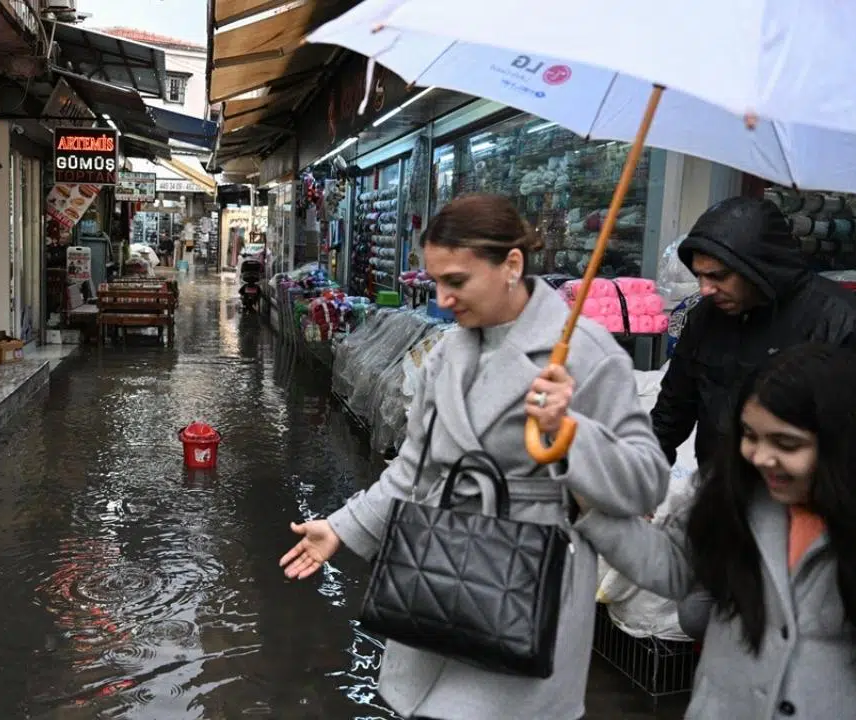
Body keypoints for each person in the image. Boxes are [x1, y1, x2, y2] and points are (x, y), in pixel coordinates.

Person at [278, 194, 669, 720]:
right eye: (436, 281)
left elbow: (647, 483)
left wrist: (570, 432)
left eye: (456, 281)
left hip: (523, 595)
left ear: (511, 265)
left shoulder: (587, 355)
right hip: (437, 581)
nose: (441, 299)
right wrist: (343, 528)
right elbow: (415, 469)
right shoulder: (449, 352)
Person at [576, 344, 856, 717]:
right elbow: (676, 568)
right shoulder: (730, 494)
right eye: (749, 435)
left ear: (847, 444)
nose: (760, 457)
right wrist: (589, 504)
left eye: (786, 444)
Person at [650, 196, 856, 468]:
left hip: (811, 501)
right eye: (699, 276)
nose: (705, 289)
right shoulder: (707, 316)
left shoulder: (847, 326)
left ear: (758, 267)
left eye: (718, 276)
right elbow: (672, 410)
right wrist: (640, 476)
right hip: (721, 493)